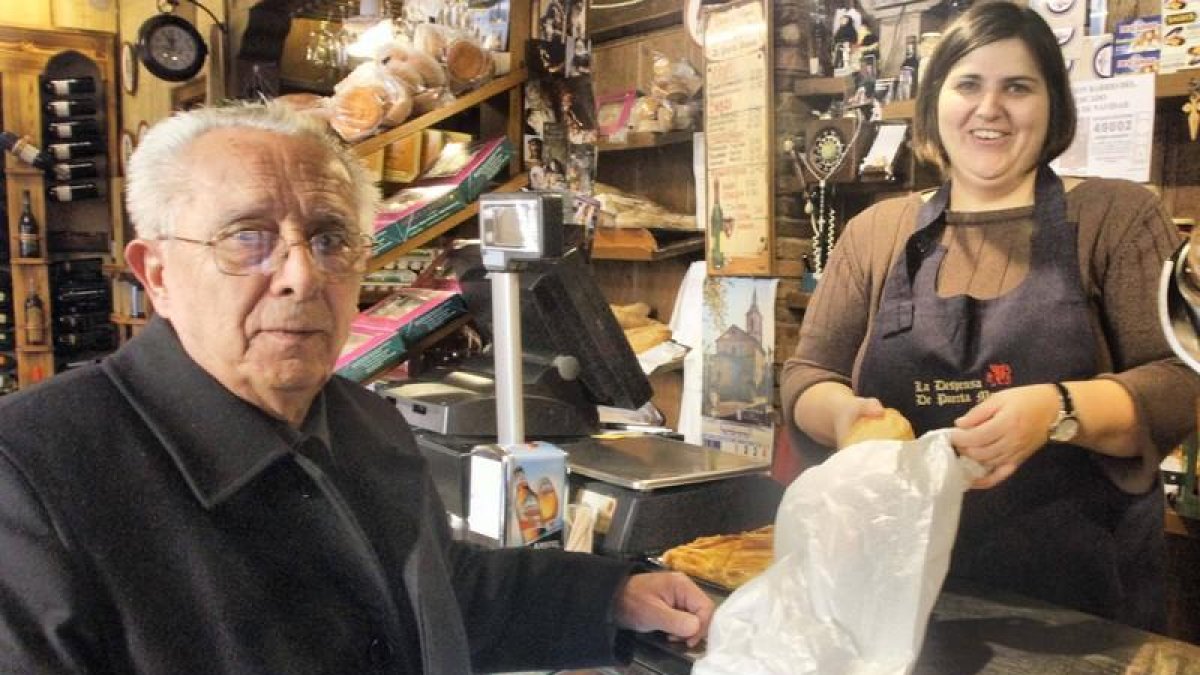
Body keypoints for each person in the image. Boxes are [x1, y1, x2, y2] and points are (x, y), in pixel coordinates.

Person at [0, 103, 713, 673]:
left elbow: (433, 595)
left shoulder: (367, 423)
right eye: (248, 237)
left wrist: (609, 596)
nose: (301, 275)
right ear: (156, 273)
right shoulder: (32, 478)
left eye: (330, 239)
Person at [782, 1, 1200, 632]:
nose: (990, 108)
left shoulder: (1119, 216)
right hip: (893, 588)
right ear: (935, 102)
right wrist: (844, 415)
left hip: (1075, 603)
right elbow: (806, 373)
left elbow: (1182, 379)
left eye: (1018, 88)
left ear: (1052, 104)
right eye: (968, 84)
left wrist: (1056, 411)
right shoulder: (877, 231)